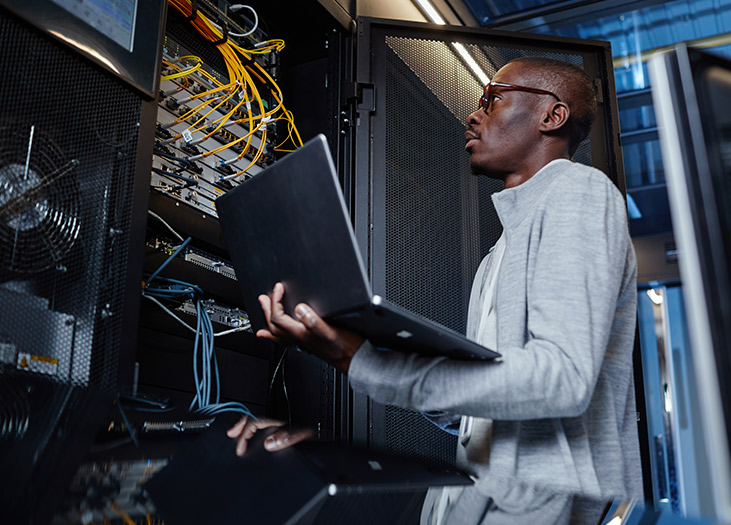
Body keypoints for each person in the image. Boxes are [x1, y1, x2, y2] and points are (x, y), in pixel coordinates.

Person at [228, 56, 642, 523]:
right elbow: (473, 420)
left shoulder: (578, 192)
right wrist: (349, 360)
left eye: (492, 98)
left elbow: (560, 379)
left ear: (552, 116)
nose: (473, 113)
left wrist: (364, 362)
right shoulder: (497, 256)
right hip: (473, 501)